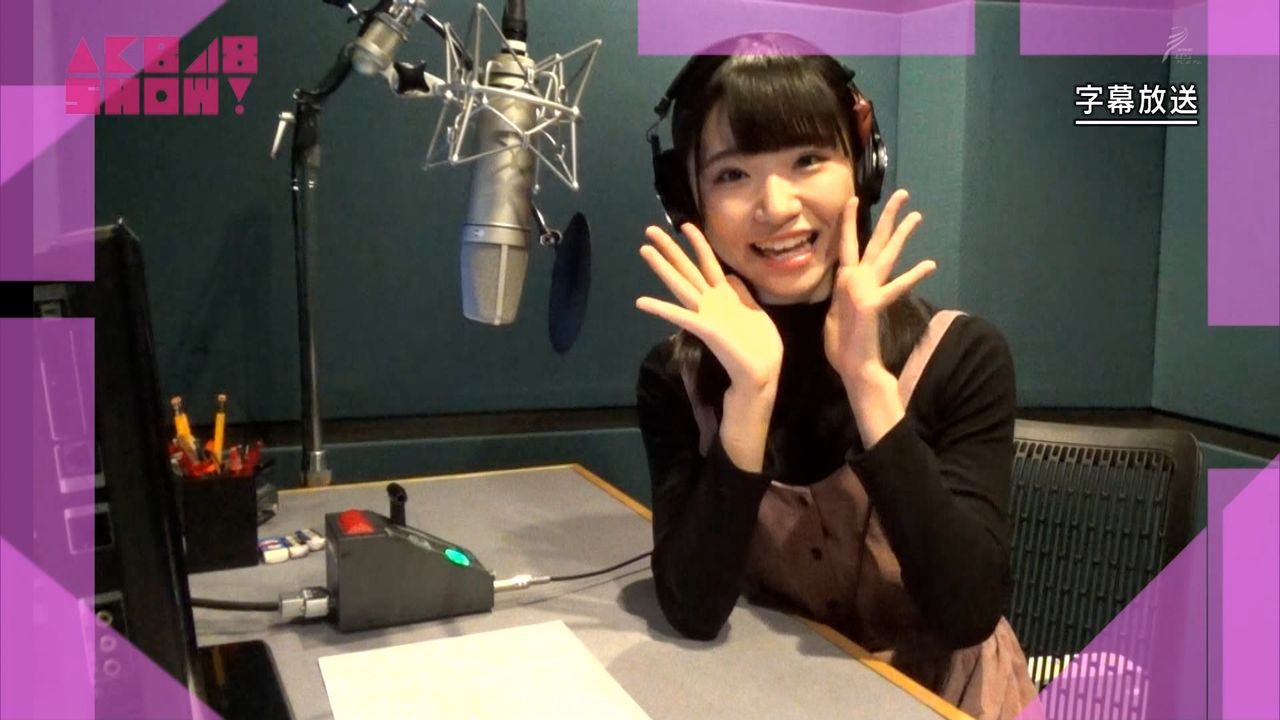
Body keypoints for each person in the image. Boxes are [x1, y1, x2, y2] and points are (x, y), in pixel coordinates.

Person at [634, 36, 1039, 720]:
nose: (776, 206)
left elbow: (967, 612)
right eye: (732, 174)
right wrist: (750, 398)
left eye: (807, 160)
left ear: (862, 167)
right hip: (782, 702)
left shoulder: (964, 356)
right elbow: (694, 609)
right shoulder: (675, 379)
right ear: (688, 198)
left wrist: (867, 382)